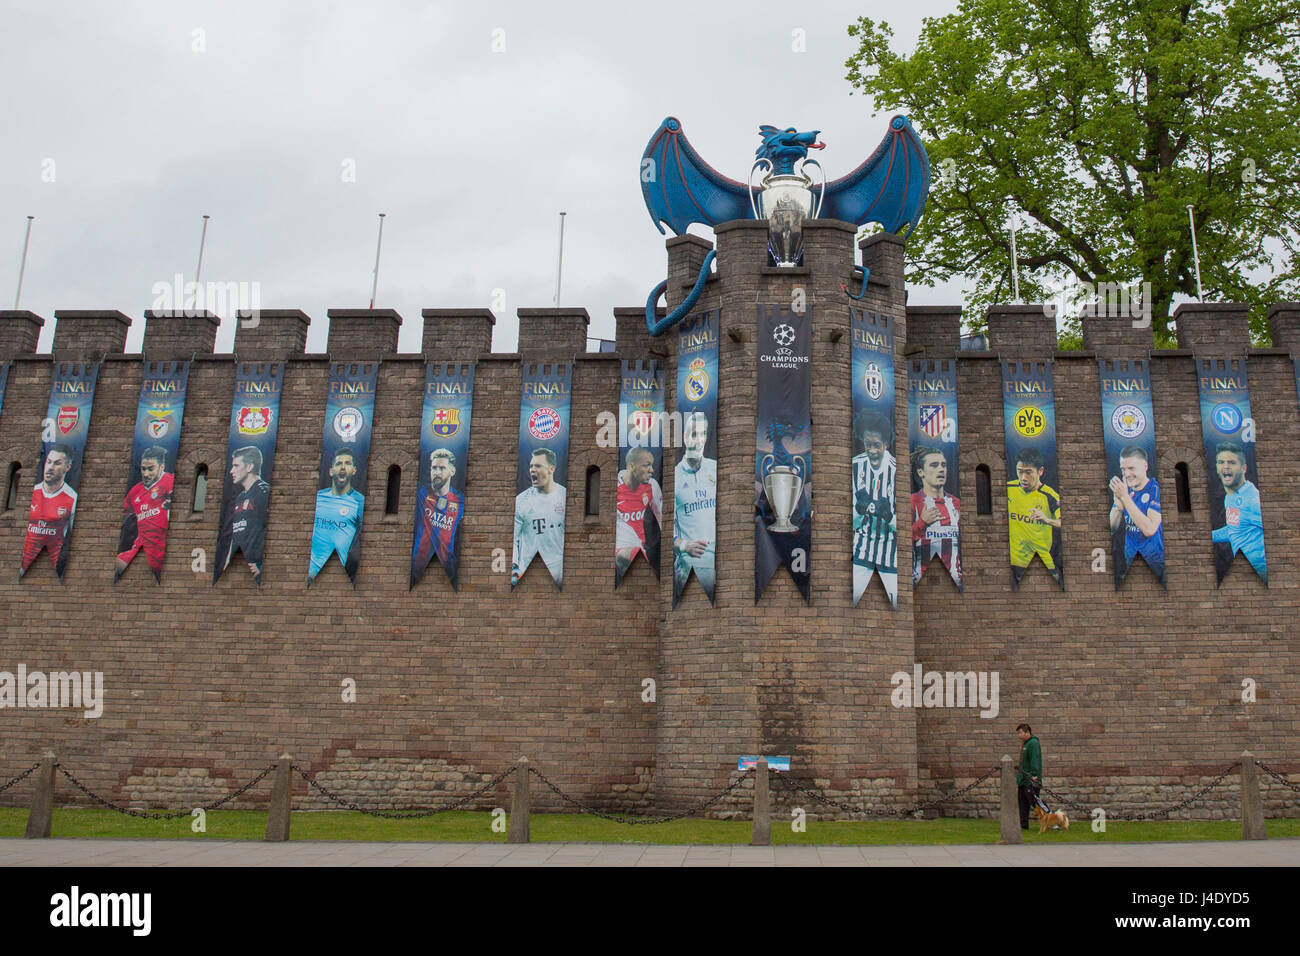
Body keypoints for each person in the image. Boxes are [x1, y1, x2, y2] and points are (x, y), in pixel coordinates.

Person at [851, 410, 897, 606]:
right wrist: (860, 512)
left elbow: (905, 524)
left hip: (891, 550)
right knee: (853, 600)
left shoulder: (895, 470)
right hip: (861, 548)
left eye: (877, 445)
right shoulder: (855, 466)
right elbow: (852, 522)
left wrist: (889, 517)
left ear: (886, 444)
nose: (872, 451)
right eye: (868, 445)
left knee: (894, 603)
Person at [673, 412, 717, 598]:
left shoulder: (716, 469)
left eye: (703, 434)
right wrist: (685, 546)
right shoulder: (674, 478)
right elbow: (659, 532)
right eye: (693, 434)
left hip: (716, 570)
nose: (698, 440)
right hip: (687, 571)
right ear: (684, 437)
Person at [116, 445, 174, 581]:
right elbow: (123, 514)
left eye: (151, 469)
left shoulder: (170, 482)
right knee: (115, 565)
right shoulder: (135, 491)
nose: (146, 474)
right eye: (143, 469)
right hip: (143, 548)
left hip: (164, 553)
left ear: (162, 467)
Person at [20, 443, 78, 577]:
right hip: (21, 563)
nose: (50, 468)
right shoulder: (34, 491)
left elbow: (71, 535)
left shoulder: (72, 498)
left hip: (53, 564)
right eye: (49, 462)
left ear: (67, 467)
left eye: (57, 463)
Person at [512, 447, 567, 588]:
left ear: (551, 469)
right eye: (531, 466)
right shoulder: (522, 500)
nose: (532, 470)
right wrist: (514, 566)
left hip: (558, 569)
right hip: (527, 570)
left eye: (537, 466)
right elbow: (514, 538)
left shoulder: (564, 496)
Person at [1007, 448, 1062, 585]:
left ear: (1040, 471)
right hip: (1012, 563)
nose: (1023, 478)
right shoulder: (1008, 488)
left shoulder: (1050, 496)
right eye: (1020, 471)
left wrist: (1047, 520)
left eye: (1028, 472)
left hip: (1042, 563)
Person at [1108, 444, 1164, 581]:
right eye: (1123, 469)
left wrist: (1125, 498)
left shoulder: (1155, 490)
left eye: (1131, 468)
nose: (1126, 474)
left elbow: (1150, 529)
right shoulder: (1126, 489)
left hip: (1156, 563)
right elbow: (1112, 528)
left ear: (1145, 466)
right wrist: (1117, 505)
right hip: (1130, 559)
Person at [309, 447, 365, 581]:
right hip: (308, 572)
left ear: (354, 470)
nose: (343, 467)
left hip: (341, 572)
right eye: (339, 463)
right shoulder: (319, 497)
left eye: (348, 463)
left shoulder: (359, 502)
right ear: (331, 471)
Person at [1211, 442, 1265, 575]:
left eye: (1232, 462)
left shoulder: (1252, 501)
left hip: (1262, 569)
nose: (1226, 466)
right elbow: (1235, 529)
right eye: (1221, 462)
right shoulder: (1230, 497)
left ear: (1244, 468)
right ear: (1217, 467)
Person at [910, 445, 961, 587]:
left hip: (956, 579)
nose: (941, 469)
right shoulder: (913, 502)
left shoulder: (955, 504)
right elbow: (898, 541)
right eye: (934, 465)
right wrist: (922, 522)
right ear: (921, 472)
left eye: (943, 465)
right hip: (918, 580)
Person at [219, 445, 271, 583]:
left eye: (236, 466)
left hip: (257, 568)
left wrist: (261, 565)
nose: (231, 471)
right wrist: (226, 563)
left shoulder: (263, 492)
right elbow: (236, 534)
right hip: (239, 565)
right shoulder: (240, 497)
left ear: (249, 467)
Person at [412, 448, 464, 584]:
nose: (436, 472)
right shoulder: (421, 493)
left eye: (442, 468)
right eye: (434, 468)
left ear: (452, 471)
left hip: (448, 565)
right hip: (416, 563)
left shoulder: (460, 501)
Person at [616, 445, 663, 576]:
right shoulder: (615, 485)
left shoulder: (652, 485)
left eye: (652, 465)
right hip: (619, 549)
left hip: (639, 548)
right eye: (646, 465)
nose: (652, 470)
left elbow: (662, 517)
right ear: (631, 466)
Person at [1015, 723, 1043, 831]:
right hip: (1022, 779)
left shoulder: (1033, 743)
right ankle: (1023, 825)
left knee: (1034, 802)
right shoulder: (1025, 744)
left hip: (1031, 779)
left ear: (1027, 732)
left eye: (1021, 733)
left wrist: (1034, 775)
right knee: (1022, 803)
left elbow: (1034, 760)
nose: (1019, 735)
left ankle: (1051, 819)